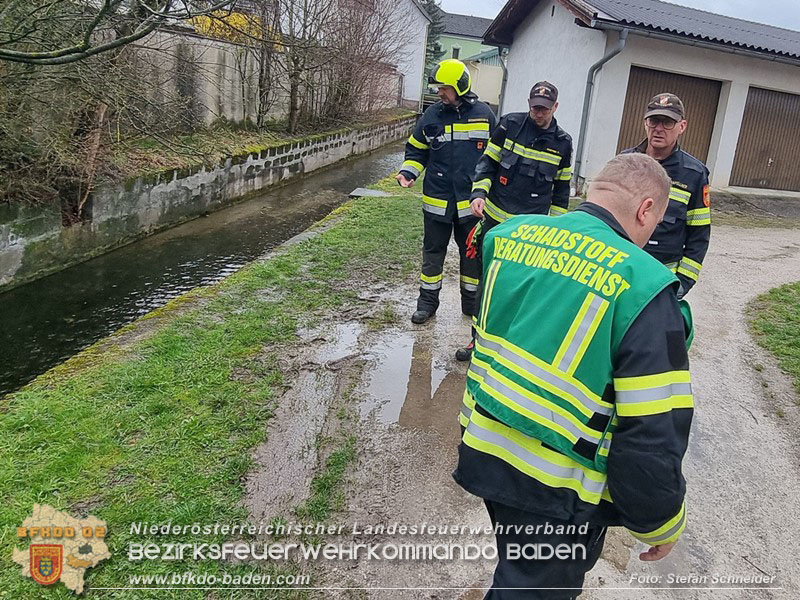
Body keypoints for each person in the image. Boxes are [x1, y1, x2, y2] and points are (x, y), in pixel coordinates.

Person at [454, 153, 694, 599]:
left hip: (486, 445)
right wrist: (660, 518)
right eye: (654, 223)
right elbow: (651, 430)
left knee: (515, 569)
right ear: (646, 210)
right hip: (556, 486)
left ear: (593, 191)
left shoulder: (508, 236)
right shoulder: (644, 285)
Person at [456, 81, 573, 361]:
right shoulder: (510, 125)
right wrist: (479, 193)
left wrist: (556, 232)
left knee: (521, 289)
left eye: (544, 109)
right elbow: (487, 164)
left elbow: (562, 191)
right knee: (488, 284)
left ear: (555, 108)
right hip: (496, 224)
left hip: (531, 233)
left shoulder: (563, 143)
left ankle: (509, 346)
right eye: (535, 107)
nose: (538, 113)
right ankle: (478, 342)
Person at [397, 59, 497, 325]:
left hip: (470, 205)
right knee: (432, 254)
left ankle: (471, 304)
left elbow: (495, 157)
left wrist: (489, 190)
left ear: (460, 87)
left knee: (472, 255)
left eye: (444, 88)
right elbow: (417, 150)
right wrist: (408, 173)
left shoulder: (484, 115)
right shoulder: (431, 116)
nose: (439, 92)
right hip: (437, 202)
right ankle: (427, 304)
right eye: (438, 88)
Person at [622, 93, 711, 298]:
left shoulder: (695, 174)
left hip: (662, 279)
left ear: (682, 126)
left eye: (668, 122)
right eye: (654, 121)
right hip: (622, 270)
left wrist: (684, 281)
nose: (659, 128)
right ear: (645, 123)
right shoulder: (625, 163)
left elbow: (699, 234)